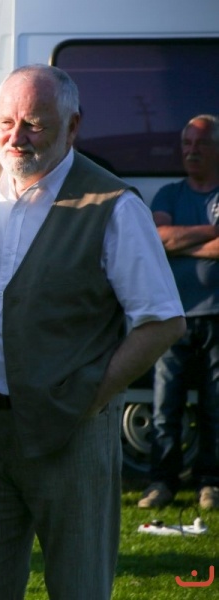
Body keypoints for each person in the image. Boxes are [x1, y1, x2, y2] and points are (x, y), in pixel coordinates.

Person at [0, 64, 185, 600]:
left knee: (78, 585)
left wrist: (90, 396)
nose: (16, 138)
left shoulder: (113, 204)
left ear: (72, 127)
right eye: (6, 123)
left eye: (34, 124)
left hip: (70, 431)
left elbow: (163, 321)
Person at [139, 114, 219, 511]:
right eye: (187, 143)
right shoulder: (169, 193)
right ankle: (161, 482)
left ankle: (210, 484)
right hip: (173, 317)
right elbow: (157, 240)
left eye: (201, 143)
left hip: (216, 316)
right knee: (164, 407)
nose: (192, 150)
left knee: (215, 407)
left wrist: (180, 241)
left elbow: (171, 241)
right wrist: (210, 233)